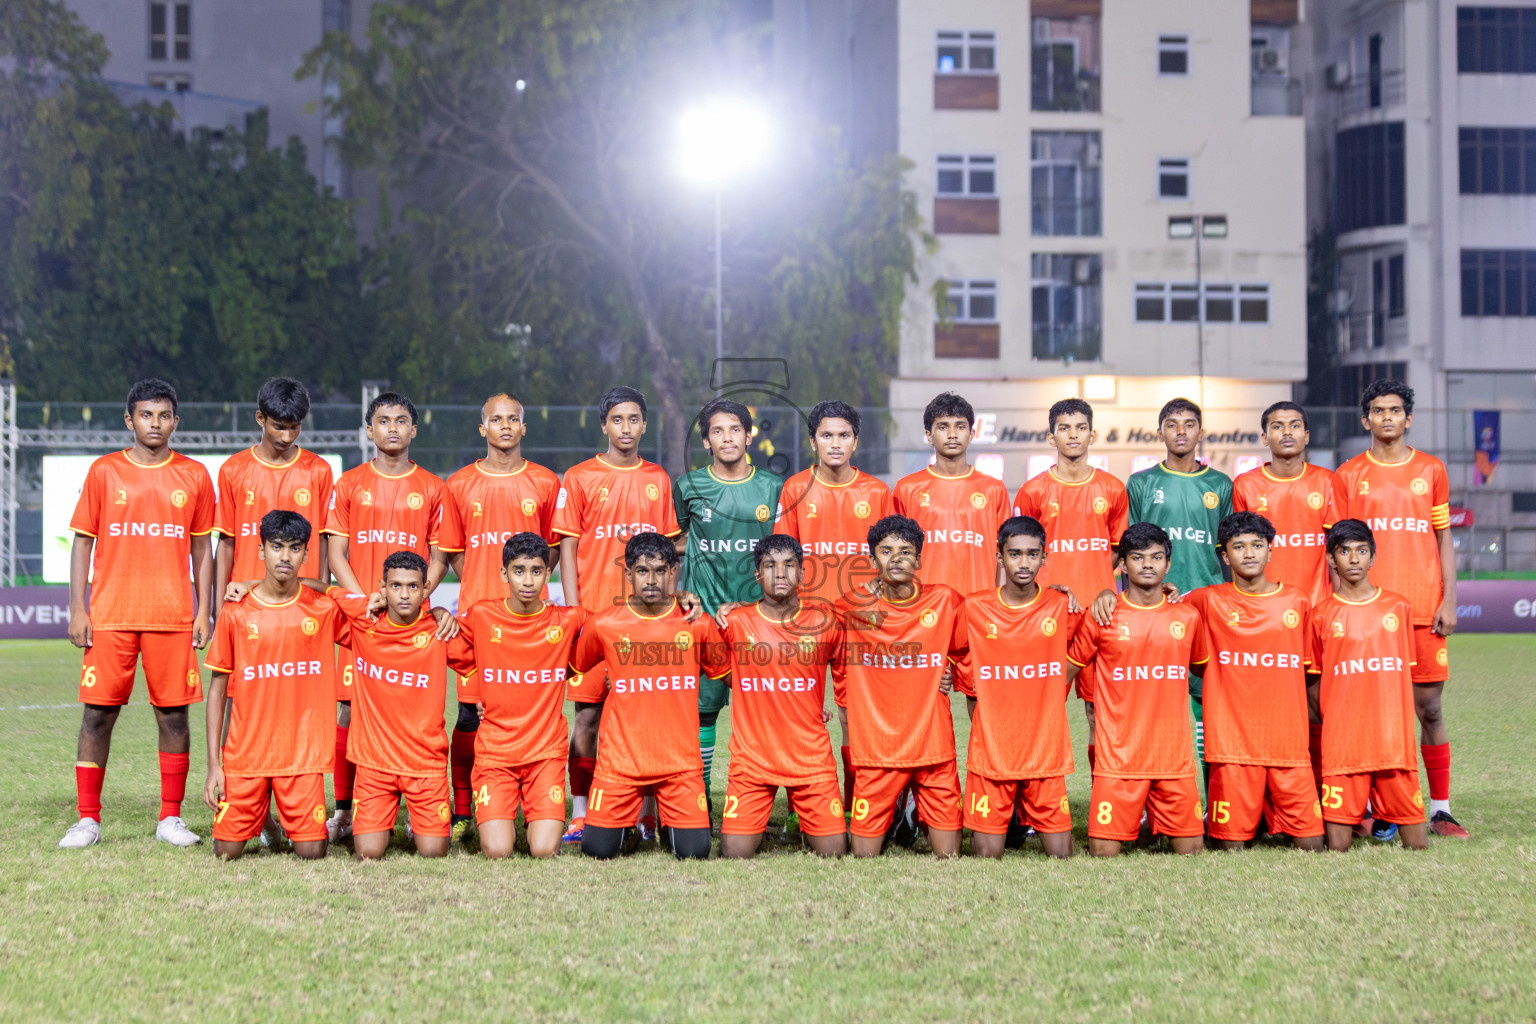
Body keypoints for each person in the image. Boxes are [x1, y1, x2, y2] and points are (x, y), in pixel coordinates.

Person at [60, 378, 216, 850]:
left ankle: (170, 818)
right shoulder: (106, 472)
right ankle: (88, 819)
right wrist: (77, 608)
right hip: (110, 616)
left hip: (171, 617)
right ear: (129, 420)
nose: (155, 423)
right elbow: (83, 542)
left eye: (164, 415)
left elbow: (202, 549)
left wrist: (203, 610)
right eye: (146, 415)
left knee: (174, 719)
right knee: (97, 717)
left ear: (175, 421)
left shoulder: (193, 475)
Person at [1332, 380, 1466, 839]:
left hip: (1423, 609)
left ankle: (1442, 809)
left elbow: (1444, 539)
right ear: (1365, 419)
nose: (1386, 417)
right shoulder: (1348, 475)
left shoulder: (1431, 469)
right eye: (1377, 410)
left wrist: (1449, 598)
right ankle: (1373, 809)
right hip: (1366, 613)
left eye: (1395, 410)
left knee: (1428, 709)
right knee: (1364, 709)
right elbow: (1336, 548)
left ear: (1408, 419)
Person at [552, 386, 682, 844]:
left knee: (649, 717)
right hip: (595, 619)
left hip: (647, 622)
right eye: (617, 420)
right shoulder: (580, 476)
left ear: (645, 426)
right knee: (587, 718)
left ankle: (648, 813)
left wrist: (671, 606)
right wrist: (574, 612)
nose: (626, 428)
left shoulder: (658, 479)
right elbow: (567, 548)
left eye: (634, 420)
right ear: (603, 425)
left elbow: (670, 552)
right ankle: (582, 811)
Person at [321, 391, 451, 841]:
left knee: (413, 704)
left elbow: (439, 557)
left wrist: (416, 601)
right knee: (347, 709)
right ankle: (344, 810)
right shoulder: (350, 483)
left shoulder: (434, 487)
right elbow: (336, 555)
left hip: (410, 619)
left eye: (401, 421)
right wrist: (365, 605)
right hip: (367, 617)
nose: (392, 428)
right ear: (369, 429)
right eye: (383, 420)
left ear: (414, 430)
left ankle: (419, 803)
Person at [438, 392, 561, 842]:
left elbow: (552, 551)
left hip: (532, 624)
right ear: (482, 428)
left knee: (534, 712)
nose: (505, 426)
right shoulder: (459, 484)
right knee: (470, 716)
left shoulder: (546, 482)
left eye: (513, 419)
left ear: (524, 428)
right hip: (477, 622)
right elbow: (450, 550)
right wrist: (479, 584)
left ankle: (534, 800)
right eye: (496, 419)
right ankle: (465, 807)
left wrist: (527, 584)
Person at [572, 533, 729, 860]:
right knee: (598, 850)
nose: (653, 579)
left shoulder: (696, 623)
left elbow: (728, 675)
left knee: (694, 852)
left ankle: (662, 822)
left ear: (674, 572)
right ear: (628, 574)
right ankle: (626, 825)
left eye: (661, 570)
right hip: (619, 765)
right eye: (642, 571)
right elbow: (569, 666)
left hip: (680, 765)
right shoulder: (604, 624)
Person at [203, 511, 343, 861]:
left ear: (307, 555)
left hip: (301, 756)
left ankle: (277, 810)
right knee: (226, 852)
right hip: (246, 755)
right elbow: (218, 690)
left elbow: (369, 620)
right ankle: (263, 816)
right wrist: (213, 766)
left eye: (295, 548)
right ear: (261, 551)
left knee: (312, 851)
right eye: (276, 547)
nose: (285, 556)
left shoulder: (323, 609)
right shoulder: (236, 613)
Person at [775, 400, 893, 812]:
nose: (835, 443)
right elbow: (782, 558)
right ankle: (799, 812)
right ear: (813, 441)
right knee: (801, 718)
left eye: (844, 435)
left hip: (859, 624)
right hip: (806, 621)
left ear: (856, 441)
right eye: (827, 435)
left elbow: (891, 560)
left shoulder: (876, 492)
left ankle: (858, 804)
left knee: (853, 720)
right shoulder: (793, 489)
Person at [1065, 523, 1206, 857]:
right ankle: (1140, 821)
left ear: (1168, 565)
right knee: (1103, 852)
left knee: (1192, 850)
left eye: (1156, 557)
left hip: (1173, 761)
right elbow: (1066, 670)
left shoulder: (1186, 616)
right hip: (1119, 760)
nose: (1147, 564)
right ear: (1123, 565)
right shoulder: (1103, 614)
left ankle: (1152, 822)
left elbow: (1202, 667)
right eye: (1138, 557)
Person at [672, 397, 784, 819]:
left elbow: (785, 557)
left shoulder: (774, 489)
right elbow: (673, 544)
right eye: (717, 431)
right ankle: (698, 804)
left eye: (735, 429)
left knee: (764, 720)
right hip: (703, 624)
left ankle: (764, 810)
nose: (727, 437)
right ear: (705, 441)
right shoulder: (688, 487)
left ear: (749, 435)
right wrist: (678, 592)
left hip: (762, 625)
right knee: (703, 716)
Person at [1186, 511, 1323, 852]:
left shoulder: (1297, 601)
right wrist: (1108, 594)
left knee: (1313, 844)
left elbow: (1310, 676)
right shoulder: (1205, 600)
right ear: (1224, 555)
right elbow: (1155, 606)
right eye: (1239, 547)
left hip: (1288, 746)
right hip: (1232, 747)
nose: (1248, 554)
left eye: (1257, 546)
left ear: (1270, 551)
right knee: (1230, 847)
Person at [832, 515, 963, 858]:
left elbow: (980, 636)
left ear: (919, 560)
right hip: (879, 751)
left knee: (949, 855)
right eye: (886, 551)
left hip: (933, 748)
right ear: (872, 560)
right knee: (863, 856)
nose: (897, 558)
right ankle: (899, 814)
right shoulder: (851, 606)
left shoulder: (945, 600)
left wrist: (949, 669)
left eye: (906, 551)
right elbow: (799, 620)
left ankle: (911, 813)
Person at [951, 516, 1081, 859]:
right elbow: (949, 649)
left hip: (1046, 753)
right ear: (999, 557)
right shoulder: (975, 607)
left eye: (1032, 554)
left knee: (1062, 855)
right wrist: (952, 677)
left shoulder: (1061, 606)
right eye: (1015, 554)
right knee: (986, 856)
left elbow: (1098, 636)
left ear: (1044, 557)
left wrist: (1109, 595)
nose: (1024, 563)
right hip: (991, 754)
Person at [1012, 397, 1127, 774]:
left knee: (1101, 713)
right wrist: (1051, 586)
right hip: (1048, 616)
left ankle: (1104, 796)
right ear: (1051, 437)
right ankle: (1031, 805)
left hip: (1100, 617)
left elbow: (1118, 552)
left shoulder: (1112, 489)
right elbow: (1021, 554)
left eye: (1080, 427)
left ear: (1092, 434)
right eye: (1064, 428)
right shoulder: (1033, 491)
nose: (1073, 435)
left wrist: (1095, 582)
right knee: (1038, 711)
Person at [455, 533, 586, 859]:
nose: (528, 580)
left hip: (545, 754)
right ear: (504, 574)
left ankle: (538, 815)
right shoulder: (481, 616)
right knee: (497, 850)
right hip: (495, 755)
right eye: (519, 571)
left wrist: (677, 599)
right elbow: (433, 636)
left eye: (537, 571)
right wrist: (440, 614)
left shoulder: (568, 619)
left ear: (548, 573)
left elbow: (621, 626)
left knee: (543, 849)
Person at [716, 534, 845, 859]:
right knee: (735, 853)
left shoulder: (824, 620)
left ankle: (805, 822)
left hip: (810, 758)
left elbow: (852, 669)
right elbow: (715, 666)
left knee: (834, 852)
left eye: (789, 565)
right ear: (757, 575)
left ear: (802, 573)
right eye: (770, 566)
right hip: (753, 759)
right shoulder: (734, 621)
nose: (780, 573)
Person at [331, 551, 465, 860]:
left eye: (413, 587)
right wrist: (250, 584)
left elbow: (488, 657)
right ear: (382, 587)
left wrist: (488, 702)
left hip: (424, 764)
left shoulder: (440, 630)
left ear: (426, 587)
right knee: (368, 852)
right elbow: (313, 588)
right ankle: (380, 819)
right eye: (395, 586)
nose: (404, 595)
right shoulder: (365, 621)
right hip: (375, 763)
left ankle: (418, 821)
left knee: (433, 852)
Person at [1126, 397, 1233, 783]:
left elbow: (1230, 551)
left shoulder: (1220, 485)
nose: (1181, 431)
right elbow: (1129, 548)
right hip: (1154, 609)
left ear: (1201, 432)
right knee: (1147, 703)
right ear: (1160, 433)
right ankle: (1145, 802)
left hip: (1207, 607)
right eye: (1172, 424)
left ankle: (1213, 802)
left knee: (1208, 707)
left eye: (1189, 424)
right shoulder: (1141, 483)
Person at [1308, 520, 1429, 852]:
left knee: (1418, 846)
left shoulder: (1398, 607)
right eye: (1344, 552)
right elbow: (1314, 683)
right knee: (1337, 849)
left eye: (1362, 551)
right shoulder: (1321, 615)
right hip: (1343, 743)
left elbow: (1405, 677)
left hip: (1393, 741)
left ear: (1373, 557)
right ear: (1332, 560)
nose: (1354, 559)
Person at [212, 376, 335, 605]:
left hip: (302, 603)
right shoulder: (232, 470)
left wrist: (324, 600)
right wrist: (217, 607)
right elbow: (226, 542)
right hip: (245, 601)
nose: (286, 436)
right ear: (261, 418)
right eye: (278, 427)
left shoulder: (319, 470)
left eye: (294, 427)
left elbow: (323, 542)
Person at [892, 391, 1010, 597]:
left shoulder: (993, 489)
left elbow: (1006, 554)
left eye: (960, 426)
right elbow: (893, 553)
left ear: (972, 434)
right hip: (923, 607)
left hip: (979, 607)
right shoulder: (907, 488)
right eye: (943, 427)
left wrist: (999, 603)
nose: (953, 434)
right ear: (929, 435)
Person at [1231, 402, 1337, 606]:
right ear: (1265, 438)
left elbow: (1338, 548)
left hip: (1318, 605)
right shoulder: (1245, 485)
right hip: (1264, 605)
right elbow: (1238, 555)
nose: (1287, 432)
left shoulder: (1327, 481)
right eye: (1278, 426)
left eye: (1294, 426)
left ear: (1306, 436)